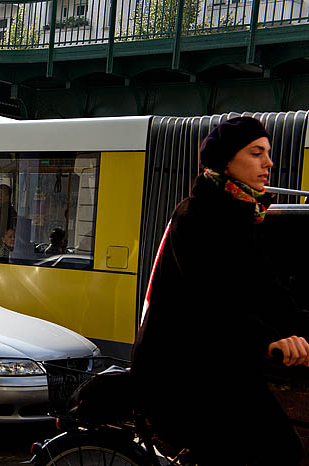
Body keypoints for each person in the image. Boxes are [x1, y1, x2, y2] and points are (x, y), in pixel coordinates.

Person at [131, 117, 309, 466]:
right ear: (226, 160)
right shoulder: (197, 215)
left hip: (223, 365)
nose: (269, 163)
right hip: (181, 373)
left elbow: (269, 293)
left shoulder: (246, 214)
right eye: (256, 153)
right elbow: (211, 301)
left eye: (268, 153)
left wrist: (298, 328)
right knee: (273, 450)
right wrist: (267, 340)